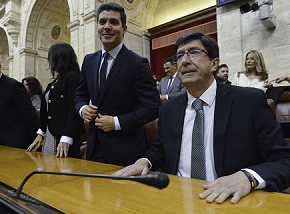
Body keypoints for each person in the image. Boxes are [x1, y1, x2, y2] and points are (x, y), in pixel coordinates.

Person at [113, 32, 290, 204]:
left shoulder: (249, 101)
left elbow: (284, 161)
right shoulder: (169, 109)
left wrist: (247, 177)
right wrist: (143, 161)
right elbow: (160, 149)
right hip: (176, 198)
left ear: (214, 63)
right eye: (180, 56)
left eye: (194, 53)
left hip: (230, 202)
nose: (185, 61)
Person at [75, 2, 160, 166]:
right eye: (102, 22)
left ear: (124, 29)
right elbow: (80, 95)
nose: (107, 26)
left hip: (127, 151)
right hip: (94, 147)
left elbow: (152, 107)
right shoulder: (89, 60)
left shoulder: (138, 63)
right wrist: (82, 109)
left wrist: (116, 123)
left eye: (113, 22)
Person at [26, 43, 85, 158]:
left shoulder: (73, 77)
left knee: (64, 171)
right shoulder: (54, 82)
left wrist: (67, 137)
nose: (50, 61)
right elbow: (46, 110)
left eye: (51, 57)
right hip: (50, 134)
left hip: (65, 137)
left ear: (60, 57)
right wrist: (41, 133)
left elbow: (74, 109)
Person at [0, 55, 39, 148]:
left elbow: (29, 113)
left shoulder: (13, 85)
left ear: (0, 66)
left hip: (17, 142)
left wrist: (36, 139)